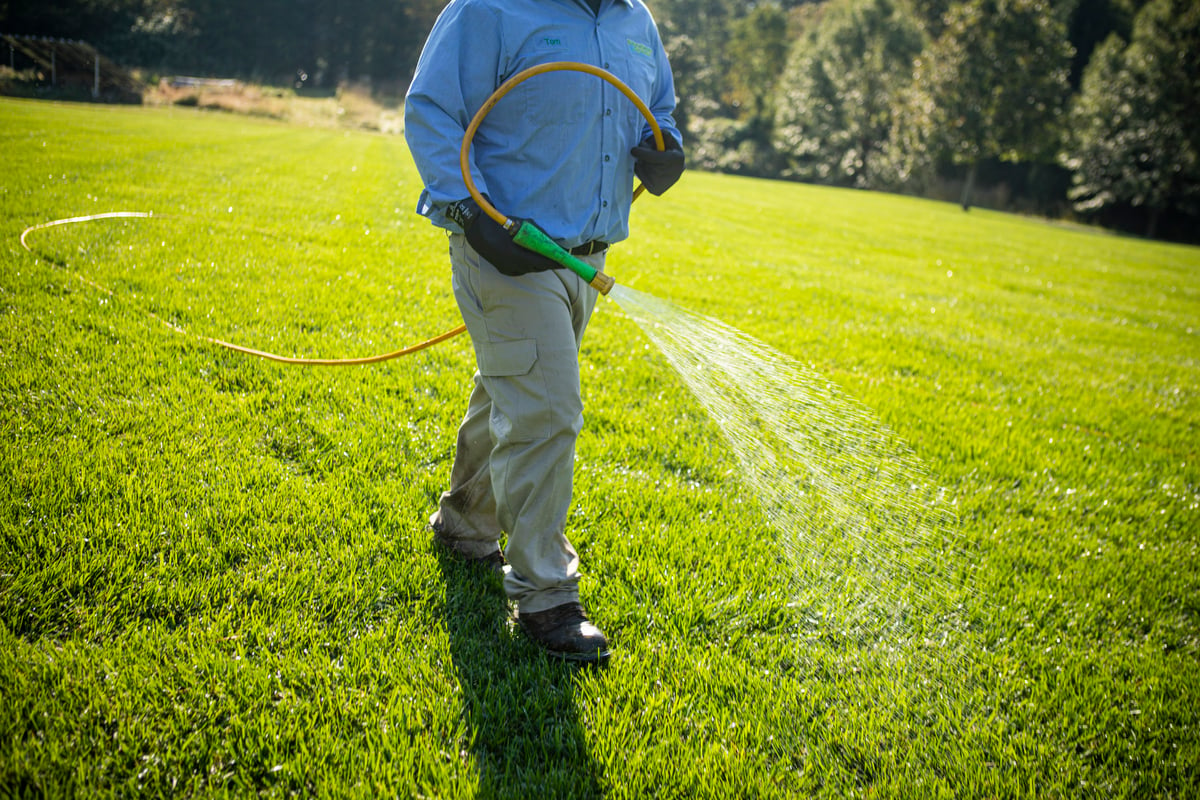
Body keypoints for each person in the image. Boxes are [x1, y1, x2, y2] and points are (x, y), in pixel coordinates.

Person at [404, 0, 684, 663]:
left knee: (514, 388)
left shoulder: (635, 21)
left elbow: (660, 112)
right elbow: (432, 111)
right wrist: (468, 212)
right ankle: (547, 595)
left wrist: (666, 152)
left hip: (587, 258)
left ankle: (466, 524)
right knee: (549, 409)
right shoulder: (489, 9)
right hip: (506, 249)